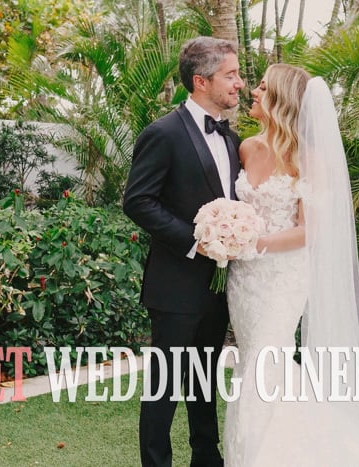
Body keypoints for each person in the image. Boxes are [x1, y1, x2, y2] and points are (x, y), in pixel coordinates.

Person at [223, 64, 359, 466]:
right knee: (254, 360)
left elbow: (308, 230)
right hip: (244, 279)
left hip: (282, 278)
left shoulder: (306, 158)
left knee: (264, 363)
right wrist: (227, 233)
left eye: (262, 87)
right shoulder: (246, 147)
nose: (252, 91)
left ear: (279, 99)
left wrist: (253, 242)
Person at [122, 36, 244, 467]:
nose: (239, 84)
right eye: (231, 75)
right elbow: (138, 201)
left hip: (218, 289)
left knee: (203, 382)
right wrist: (197, 240)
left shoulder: (233, 140)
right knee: (164, 388)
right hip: (174, 286)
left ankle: (206, 460)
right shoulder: (162, 133)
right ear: (200, 80)